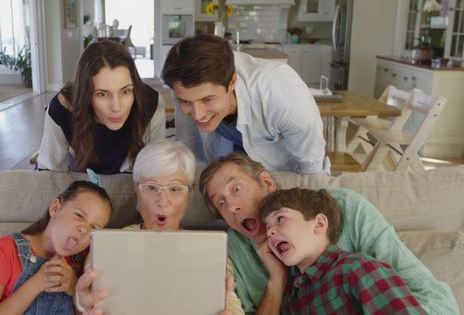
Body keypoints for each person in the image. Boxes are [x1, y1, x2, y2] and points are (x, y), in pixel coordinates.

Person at [198, 152, 457, 314]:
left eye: (236, 189)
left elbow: (432, 298)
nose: (231, 206)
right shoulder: (234, 252)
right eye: (220, 203)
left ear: (267, 182)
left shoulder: (347, 226)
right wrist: (277, 280)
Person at [74, 140, 243, 315]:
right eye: (151, 187)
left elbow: (231, 304)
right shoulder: (108, 243)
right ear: (136, 192)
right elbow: (87, 300)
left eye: (175, 189)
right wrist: (80, 304)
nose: (162, 201)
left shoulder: (210, 247)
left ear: (189, 195)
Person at [161, 34, 329, 175]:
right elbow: (189, 148)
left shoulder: (283, 93)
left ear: (232, 82)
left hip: (286, 173)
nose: (197, 115)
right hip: (231, 160)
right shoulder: (184, 85)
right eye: (185, 102)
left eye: (207, 100)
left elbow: (312, 170)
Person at [260, 188, 426, 314]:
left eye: (280, 218)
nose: (270, 232)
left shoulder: (357, 269)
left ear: (319, 224)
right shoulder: (290, 295)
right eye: (267, 227)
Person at [0, 181, 112, 315]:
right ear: (55, 208)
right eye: (79, 215)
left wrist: (74, 289)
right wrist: (36, 284)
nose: (84, 229)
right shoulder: (3, 251)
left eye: (94, 228)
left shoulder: (85, 261)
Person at [37, 39, 166, 174]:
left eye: (125, 91)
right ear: (85, 94)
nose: (116, 107)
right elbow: (50, 173)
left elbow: (155, 171)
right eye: (102, 94)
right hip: (81, 178)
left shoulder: (151, 104)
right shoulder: (61, 109)